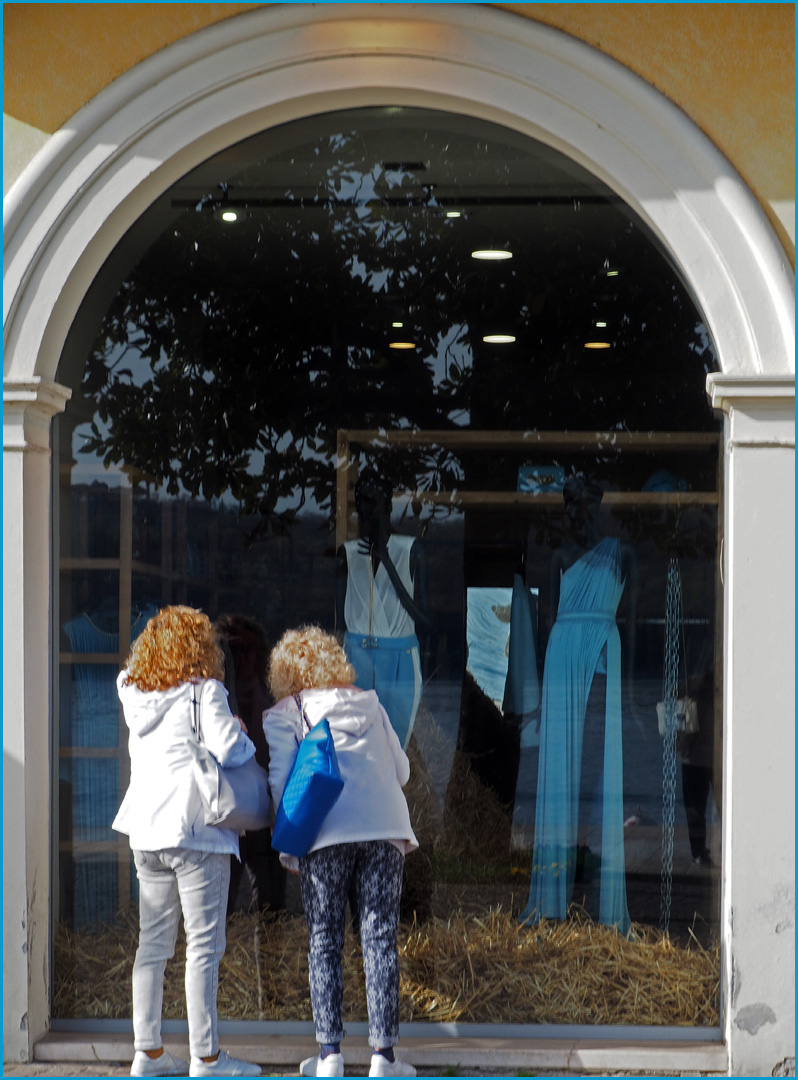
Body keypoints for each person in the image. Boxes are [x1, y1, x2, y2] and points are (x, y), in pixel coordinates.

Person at [112, 605, 262, 1078]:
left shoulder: (133, 694)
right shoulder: (205, 693)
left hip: (146, 831)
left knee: (151, 945)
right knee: (204, 948)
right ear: (201, 648)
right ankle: (207, 1058)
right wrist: (243, 735)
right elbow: (230, 750)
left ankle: (149, 1052)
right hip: (197, 831)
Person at [263, 625, 418, 1079]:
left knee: (325, 939)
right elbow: (404, 772)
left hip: (326, 834)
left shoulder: (286, 711)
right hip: (385, 827)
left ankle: (329, 1056)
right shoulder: (370, 701)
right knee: (379, 937)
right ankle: (383, 1058)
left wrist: (288, 845)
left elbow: (281, 783)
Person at [336, 467, 431, 750]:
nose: (365, 510)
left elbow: (426, 622)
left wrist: (387, 562)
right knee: (356, 748)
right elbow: (339, 624)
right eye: (361, 501)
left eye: (373, 502)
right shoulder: (348, 554)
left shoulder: (410, 551)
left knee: (393, 748)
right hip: (356, 658)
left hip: (400, 658)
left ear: (388, 506)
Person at [215, 614, 286, 917]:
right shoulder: (213, 699)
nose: (242, 657)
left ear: (260, 653)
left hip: (267, 805)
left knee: (271, 899)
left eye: (249, 650)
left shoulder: (274, 696)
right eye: (235, 650)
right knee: (224, 898)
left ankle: (271, 952)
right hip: (228, 807)